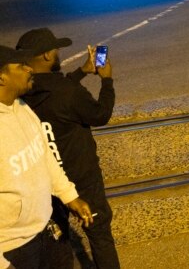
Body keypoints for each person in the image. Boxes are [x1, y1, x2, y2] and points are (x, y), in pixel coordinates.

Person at [15, 28, 119, 269]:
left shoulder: (21, 91)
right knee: (100, 235)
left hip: (47, 181)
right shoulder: (69, 93)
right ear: (46, 56)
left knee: (58, 237)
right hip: (82, 178)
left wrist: (81, 72)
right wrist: (107, 80)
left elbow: (54, 89)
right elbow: (100, 114)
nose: (59, 52)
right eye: (56, 49)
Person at [0, 45, 94, 269]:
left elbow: (45, 156)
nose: (29, 69)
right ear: (1, 78)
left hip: (48, 231)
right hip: (13, 250)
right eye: (21, 66)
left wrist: (69, 196)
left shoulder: (21, 107)